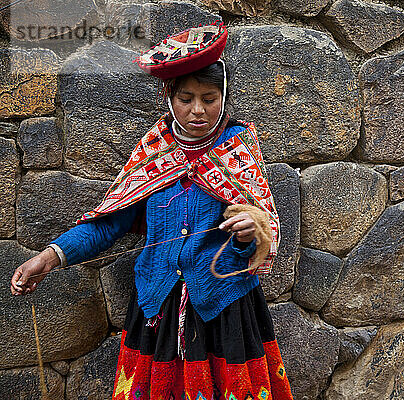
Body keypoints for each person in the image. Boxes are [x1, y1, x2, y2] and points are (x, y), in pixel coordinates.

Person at [10, 21, 294, 400]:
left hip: (223, 309)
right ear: (168, 96)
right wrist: (49, 258)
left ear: (224, 97)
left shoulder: (236, 150)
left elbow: (261, 234)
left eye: (209, 99)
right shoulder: (153, 152)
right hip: (157, 309)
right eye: (186, 98)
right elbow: (108, 223)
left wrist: (250, 232)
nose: (198, 110)